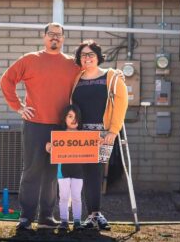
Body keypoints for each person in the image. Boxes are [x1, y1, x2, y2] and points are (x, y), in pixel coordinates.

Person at [0, 22, 80, 231]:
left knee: (52, 174)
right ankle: (26, 217)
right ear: (44, 37)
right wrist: (18, 107)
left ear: (63, 39)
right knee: (32, 172)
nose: (55, 38)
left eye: (59, 35)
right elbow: (7, 80)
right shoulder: (30, 60)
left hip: (60, 128)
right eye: (51, 34)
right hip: (35, 125)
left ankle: (46, 217)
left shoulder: (72, 64)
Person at [71, 39, 128, 230]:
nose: (87, 58)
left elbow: (121, 104)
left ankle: (95, 214)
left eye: (90, 54)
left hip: (102, 135)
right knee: (83, 174)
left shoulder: (111, 77)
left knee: (95, 172)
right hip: (78, 135)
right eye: (83, 55)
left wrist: (113, 131)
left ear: (98, 57)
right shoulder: (75, 78)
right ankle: (90, 214)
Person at [46, 104, 84, 231]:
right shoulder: (58, 134)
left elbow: (92, 148)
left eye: (76, 117)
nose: (74, 119)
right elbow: (49, 146)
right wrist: (49, 147)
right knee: (63, 196)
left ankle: (77, 221)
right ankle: (64, 221)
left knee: (77, 196)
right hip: (62, 171)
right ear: (64, 118)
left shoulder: (84, 135)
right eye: (70, 116)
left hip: (79, 171)